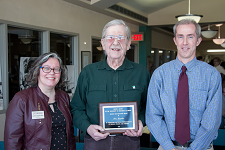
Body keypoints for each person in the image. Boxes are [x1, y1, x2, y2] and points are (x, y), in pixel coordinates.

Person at [70, 19, 150, 150]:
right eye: (110, 37)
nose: (116, 42)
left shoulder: (141, 73)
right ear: (103, 43)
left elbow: (150, 106)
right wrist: (88, 128)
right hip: (95, 143)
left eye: (121, 38)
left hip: (129, 142)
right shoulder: (88, 73)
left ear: (129, 44)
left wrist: (140, 121)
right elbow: (76, 108)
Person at [146, 19, 222, 150]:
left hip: (202, 147)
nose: (185, 42)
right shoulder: (160, 74)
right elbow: (153, 116)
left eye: (190, 37)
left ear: (198, 41)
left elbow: (212, 120)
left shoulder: (211, 75)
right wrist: (170, 147)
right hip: (167, 146)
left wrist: (194, 148)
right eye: (180, 37)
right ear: (175, 40)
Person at [4, 52, 76, 150]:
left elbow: (70, 135)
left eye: (56, 69)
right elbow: (12, 141)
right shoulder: (21, 99)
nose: (51, 72)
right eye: (46, 68)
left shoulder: (64, 97)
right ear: (37, 71)